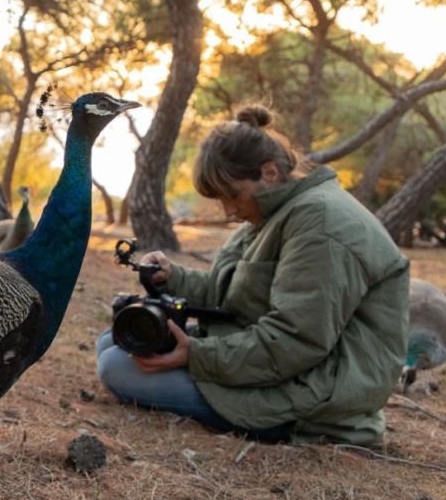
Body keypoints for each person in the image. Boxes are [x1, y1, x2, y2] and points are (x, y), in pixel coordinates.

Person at [96, 106, 409, 445]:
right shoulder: (279, 209)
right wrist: (172, 278)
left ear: (269, 173)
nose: (228, 211)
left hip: (316, 397)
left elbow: (295, 341)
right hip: (285, 367)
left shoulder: (319, 223)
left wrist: (198, 356)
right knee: (115, 340)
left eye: (231, 195)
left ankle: (298, 428)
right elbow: (233, 291)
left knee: (117, 367)